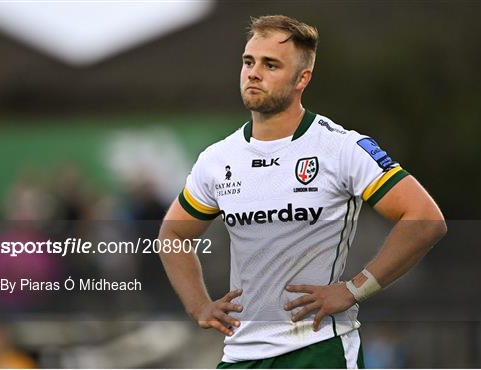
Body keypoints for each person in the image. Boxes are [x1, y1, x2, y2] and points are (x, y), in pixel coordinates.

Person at [158, 15, 446, 368]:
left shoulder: (341, 148)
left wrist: (354, 288)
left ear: (302, 79)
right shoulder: (217, 159)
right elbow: (172, 234)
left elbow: (425, 219)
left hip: (318, 350)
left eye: (270, 64)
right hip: (240, 356)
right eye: (248, 61)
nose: (253, 72)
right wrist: (198, 304)